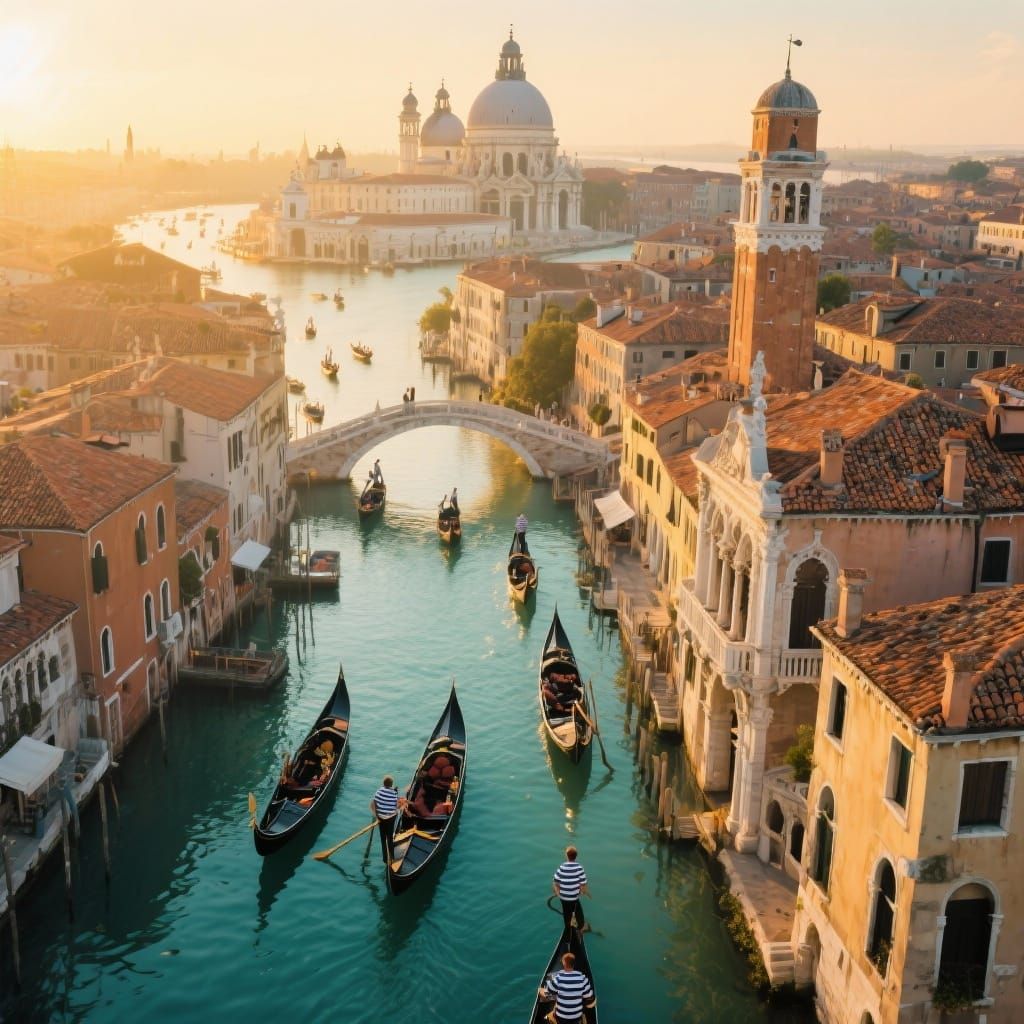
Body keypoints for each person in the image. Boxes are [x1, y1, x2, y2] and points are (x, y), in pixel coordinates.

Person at [539, 951, 595, 1024]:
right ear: (574, 964)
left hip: (560, 1018)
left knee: (541, 990)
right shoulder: (583, 978)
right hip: (576, 1018)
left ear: (563, 963)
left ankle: (550, 1017)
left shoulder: (558, 978)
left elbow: (548, 993)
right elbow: (589, 996)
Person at [552, 846, 589, 931]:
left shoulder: (561, 867)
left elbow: (555, 882)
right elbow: (583, 884)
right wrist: (583, 892)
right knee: (579, 915)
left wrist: (557, 893)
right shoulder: (579, 868)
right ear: (576, 856)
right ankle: (580, 928)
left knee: (566, 914)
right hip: (574, 898)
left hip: (563, 898)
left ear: (566, 856)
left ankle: (568, 929)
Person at [370, 775, 401, 865]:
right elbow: (396, 806)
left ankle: (385, 859)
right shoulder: (394, 793)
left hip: (380, 818)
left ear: (383, 784)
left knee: (383, 839)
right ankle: (392, 857)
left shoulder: (379, 791)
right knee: (389, 838)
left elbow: (373, 804)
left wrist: (377, 816)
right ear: (391, 785)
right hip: (390, 819)